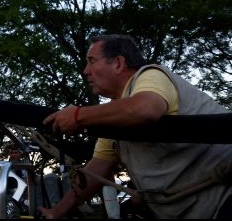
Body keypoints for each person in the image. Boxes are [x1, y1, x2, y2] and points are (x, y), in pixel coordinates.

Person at [40, 34, 232, 219]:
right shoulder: (117, 114)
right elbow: (96, 170)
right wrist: (56, 213)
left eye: (91, 60)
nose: (85, 71)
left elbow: (145, 109)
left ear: (118, 63)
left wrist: (77, 115)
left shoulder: (151, 75)